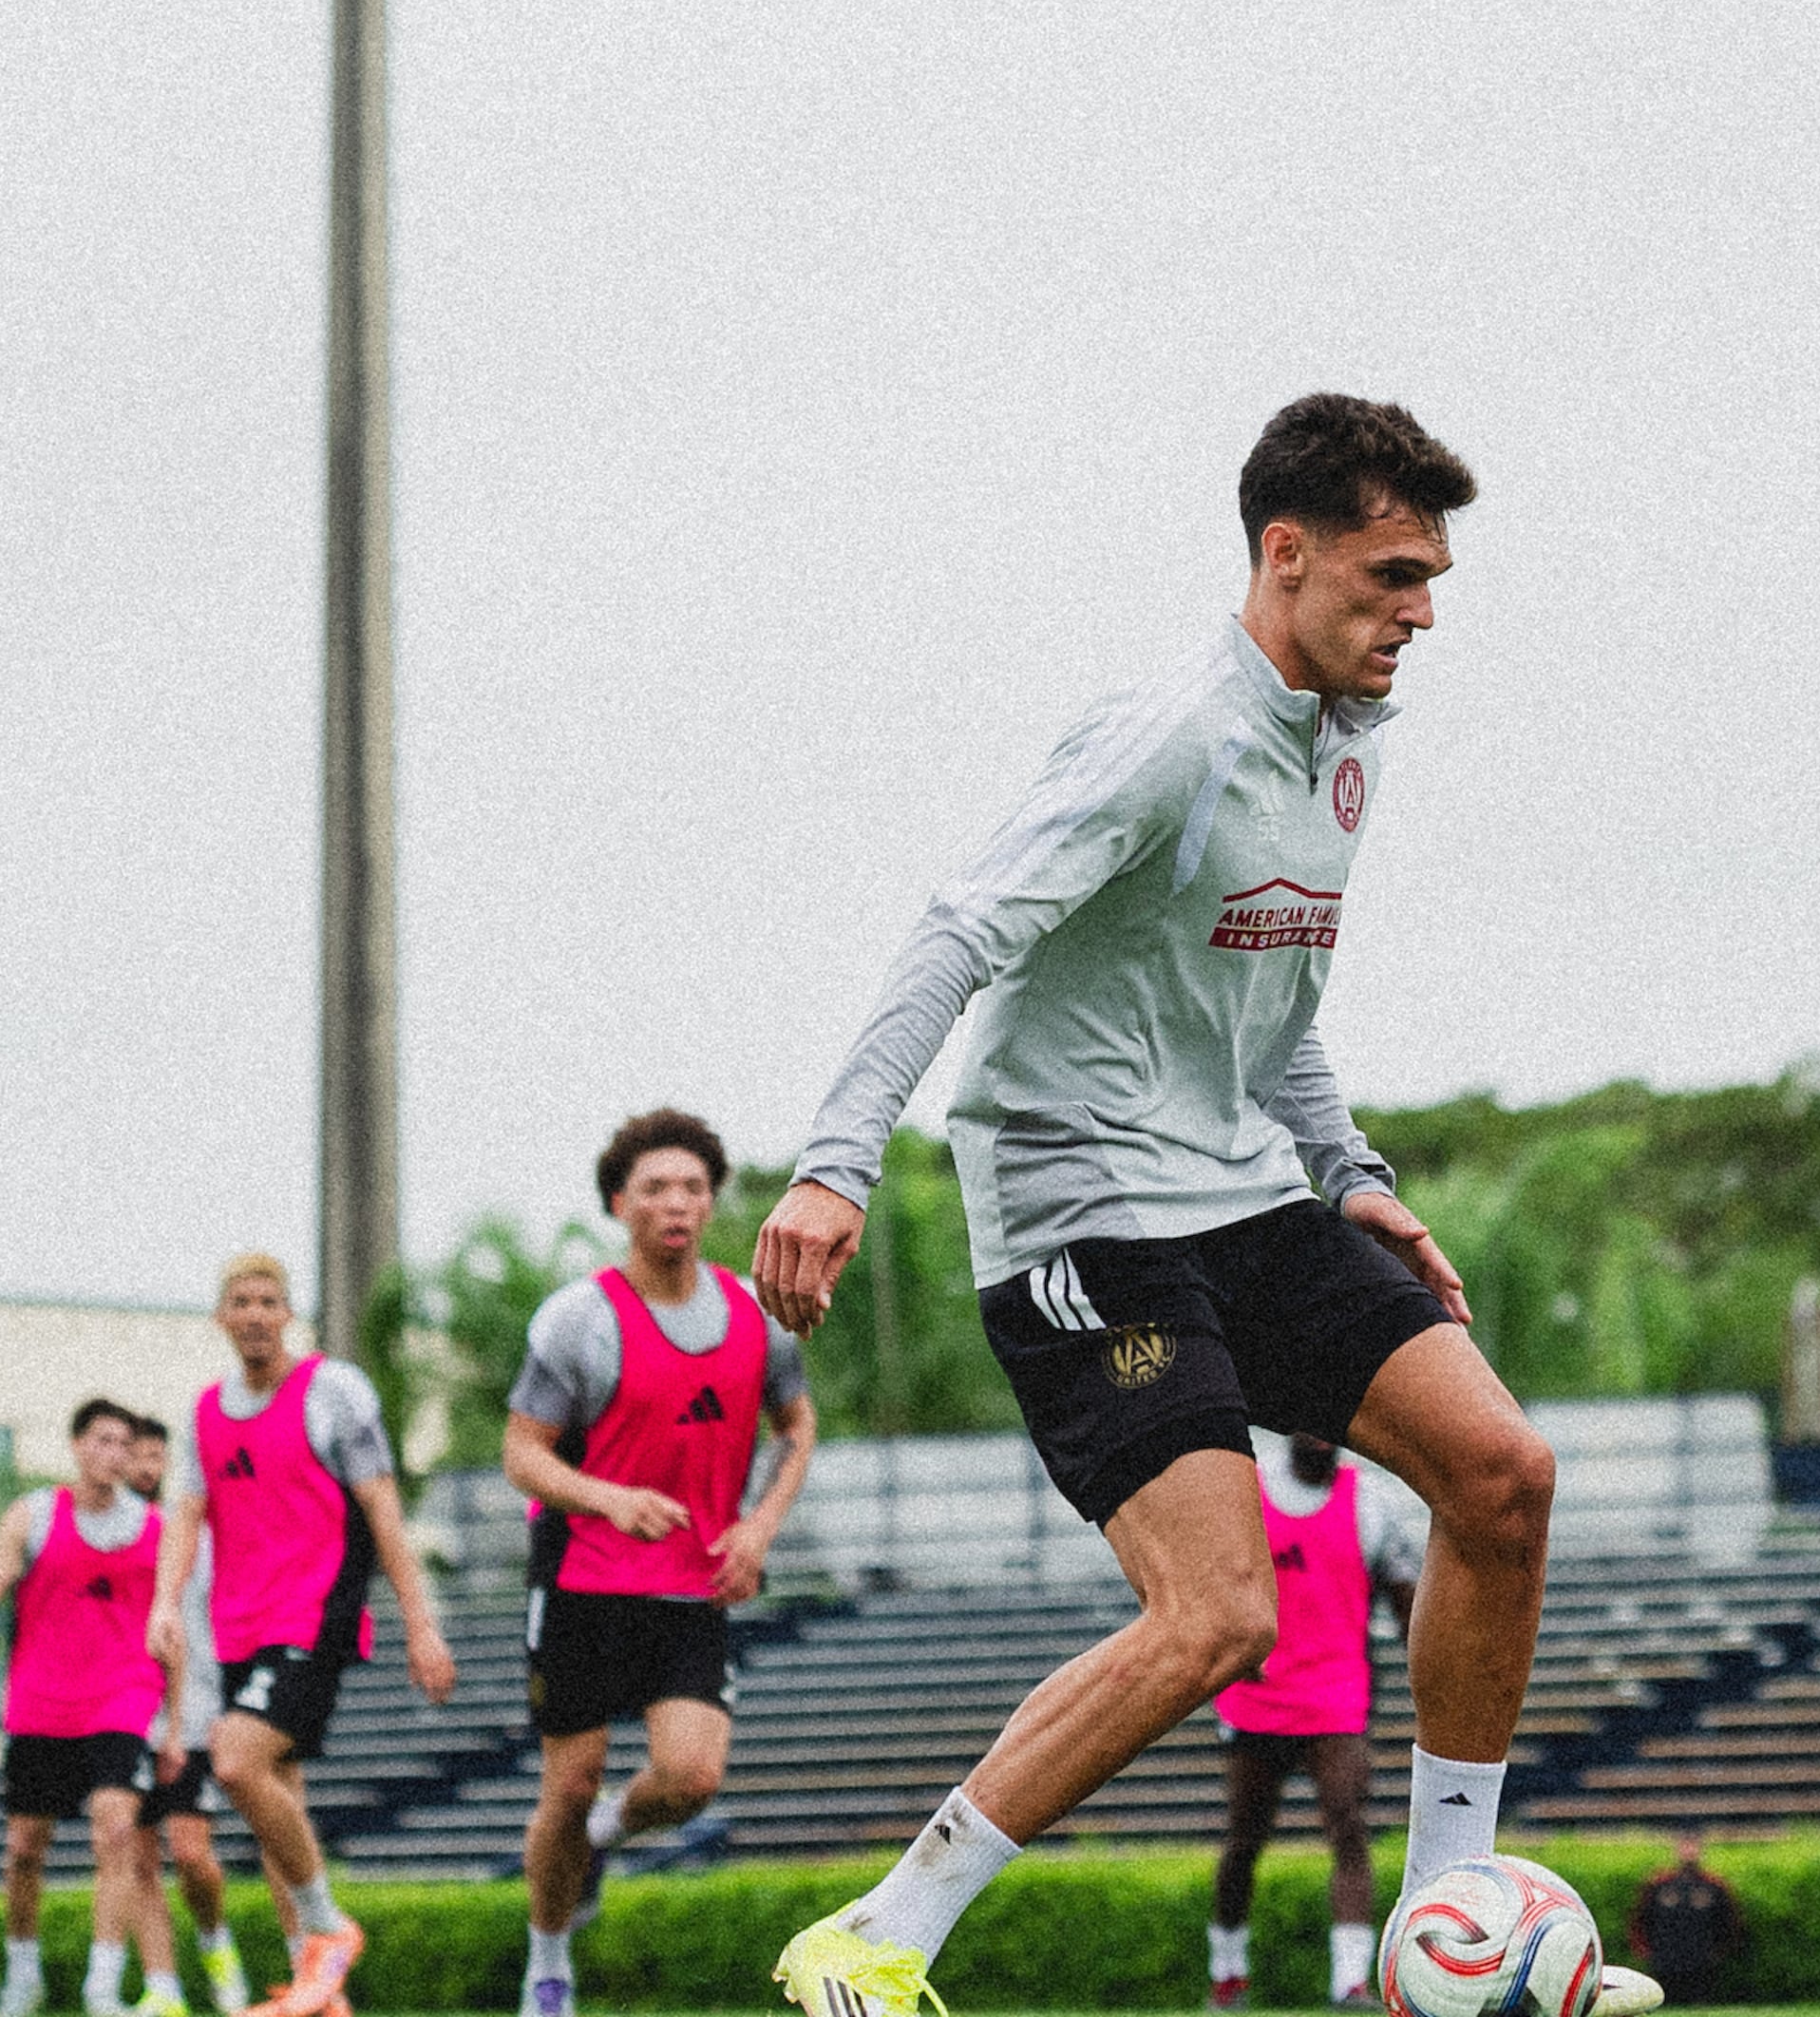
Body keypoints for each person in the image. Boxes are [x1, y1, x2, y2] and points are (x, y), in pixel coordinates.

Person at [744, 395, 1651, 2017]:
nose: (1423, 611)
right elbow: (956, 932)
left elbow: (1274, 1005)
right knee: (1222, 1612)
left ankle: (1448, 1915)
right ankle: (879, 1932)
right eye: (1392, 573)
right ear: (1283, 556)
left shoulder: (1350, 742)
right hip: (1080, 1202)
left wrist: (1355, 1180)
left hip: (1241, 1189)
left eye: (1435, 577)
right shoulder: (1169, 734)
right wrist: (834, 1163)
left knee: (1503, 1474)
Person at [505, 1112, 818, 2017]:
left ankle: (605, 1835)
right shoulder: (578, 1322)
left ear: (712, 1202)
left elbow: (797, 1429)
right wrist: (610, 1499)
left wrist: (759, 1529)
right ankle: (548, 1964)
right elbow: (523, 1455)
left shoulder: (756, 1315)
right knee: (566, 1784)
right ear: (619, 1203)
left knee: (690, 1780)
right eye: (655, 1188)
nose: (676, 1203)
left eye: (692, 1187)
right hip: (581, 1579)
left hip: (692, 1585)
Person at [152, 1254, 458, 2017]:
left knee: (234, 1758)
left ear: (290, 1314)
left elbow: (383, 1510)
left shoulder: (332, 1392)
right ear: (221, 1317)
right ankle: (318, 1991)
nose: (255, 1313)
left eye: (269, 1301)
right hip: (238, 1626)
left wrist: (421, 1625)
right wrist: (163, 1603)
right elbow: (185, 1516)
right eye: (240, 1301)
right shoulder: (203, 1414)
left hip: (313, 1615)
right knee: (273, 1800)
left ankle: (326, 1926)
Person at [0, 1400, 182, 2017]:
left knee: (118, 1830)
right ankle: (22, 1978)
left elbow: (175, 1637)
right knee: (23, 1849)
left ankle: (103, 1989)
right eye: (102, 1441)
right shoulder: (35, 1517)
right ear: (76, 1446)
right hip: (41, 1706)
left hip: (123, 1700)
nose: (114, 1454)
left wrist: (174, 1728)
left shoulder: (157, 1530)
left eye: (125, 1445)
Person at [1204, 1435, 1420, 2011]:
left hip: (1336, 1699)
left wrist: (1428, 1663)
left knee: (1349, 1829)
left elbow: (1406, 1598)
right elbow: (1211, 1584)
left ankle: (1350, 1984)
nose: (1321, 1436)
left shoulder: (1368, 1502)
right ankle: (1227, 1973)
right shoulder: (1249, 1496)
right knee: (1244, 1840)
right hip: (1257, 1696)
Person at [127, 1415, 255, 2016]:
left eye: (157, 1455)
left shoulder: (193, 1535)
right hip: (125, 1715)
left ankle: (215, 1943)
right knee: (138, 1856)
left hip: (194, 1708)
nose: (147, 1466)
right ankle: (164, 1988)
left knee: (192, 1853)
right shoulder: (111, 1539)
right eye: (138, 1455)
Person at [1623, 1836, 1742, 2007]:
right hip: (1665, 1962)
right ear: (1677, 1850)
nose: (1689, 1852)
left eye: (1693, 1847)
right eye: (1685, 1847)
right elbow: (1639, 1919)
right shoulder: (1659, 1884)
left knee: (1700, 2006)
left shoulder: (1714, 1885)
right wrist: (1644, 1950)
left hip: (1702, 1963)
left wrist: (1720, 1951)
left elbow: (1730, 1922)